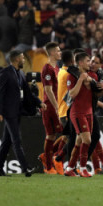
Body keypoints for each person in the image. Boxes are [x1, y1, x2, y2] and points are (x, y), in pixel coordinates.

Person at [0, 50, 46, 177]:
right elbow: (0, 93)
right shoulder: (5, 73)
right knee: (16, 140)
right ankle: (25, 168)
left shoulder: (21, 73)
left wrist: (39, 102)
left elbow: (27, 92)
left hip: (18, 111)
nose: (24, 60)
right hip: (9, 112)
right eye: (22, 58)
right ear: (17, 59)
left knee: (6, 141)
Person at [63, 52, 103, 178]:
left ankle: (69, 168)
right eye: (87, 61)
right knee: (87, 140)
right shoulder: (72, 77)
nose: (90, 63)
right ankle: (83, 168)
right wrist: (81, 79)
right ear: (80, 63)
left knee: (79, 141)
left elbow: (96, 95)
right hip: (77, 113)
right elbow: (72, 95)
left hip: (89, 112)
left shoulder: (93, 76)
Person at [38, 42, 64, 174]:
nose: (60, 53)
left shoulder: (57, 68)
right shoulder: (47, 68)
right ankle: (49, 166)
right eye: (58, 51)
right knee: (51, 135)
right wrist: (56, 107)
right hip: (50, 106)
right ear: (52, 53)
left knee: (66, 133)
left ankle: (48, 157)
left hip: (58, 105)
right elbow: (48, 90)